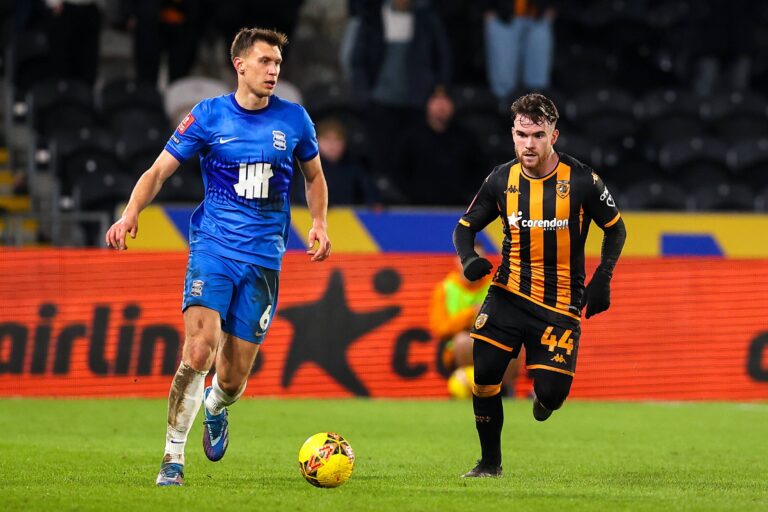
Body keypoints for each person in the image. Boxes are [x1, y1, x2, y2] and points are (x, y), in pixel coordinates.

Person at [105, 27, 331, 486]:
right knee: (199, 348)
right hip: (213, 247)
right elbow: (159, 170)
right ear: (240, 65)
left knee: (231, 378)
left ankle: (215, 406)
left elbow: (315, 177)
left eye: (278, 64)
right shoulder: (207, 117)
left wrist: (320, 222)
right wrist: (130, 213)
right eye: (265, 62)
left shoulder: (295, 120)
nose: (273, 71)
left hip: (265, 259)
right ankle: (172, 458)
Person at [452, 93, 626, 477]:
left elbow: (616, 230)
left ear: (554, 136)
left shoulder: (582, 180)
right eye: (521, 134)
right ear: (512, 134)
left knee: (551, 395)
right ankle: (489, 464)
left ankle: (545, 399)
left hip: (560, 302)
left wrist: (603, 277)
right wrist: (469, 260)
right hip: (508, 293)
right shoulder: (501, 179)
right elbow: (465, 228)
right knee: (484, 375)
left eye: (538, 135)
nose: (528, 144)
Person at [429, 246, 520, 397]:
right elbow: (439, 329)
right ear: (457, 261)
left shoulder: (496, 286)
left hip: (493, 340)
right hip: (459, 348)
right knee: (463, 341)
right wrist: (471, 315)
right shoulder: (445, 289)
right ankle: (470, 387)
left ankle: (506, 391)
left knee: (513, 343)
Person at [483, 0, 557, 101]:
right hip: (503, 16)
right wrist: (485, 8)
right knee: (503, 83)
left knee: (537, 85)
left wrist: (553, 7)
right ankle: (502, 112)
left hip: (538, 15)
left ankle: (534, 112)